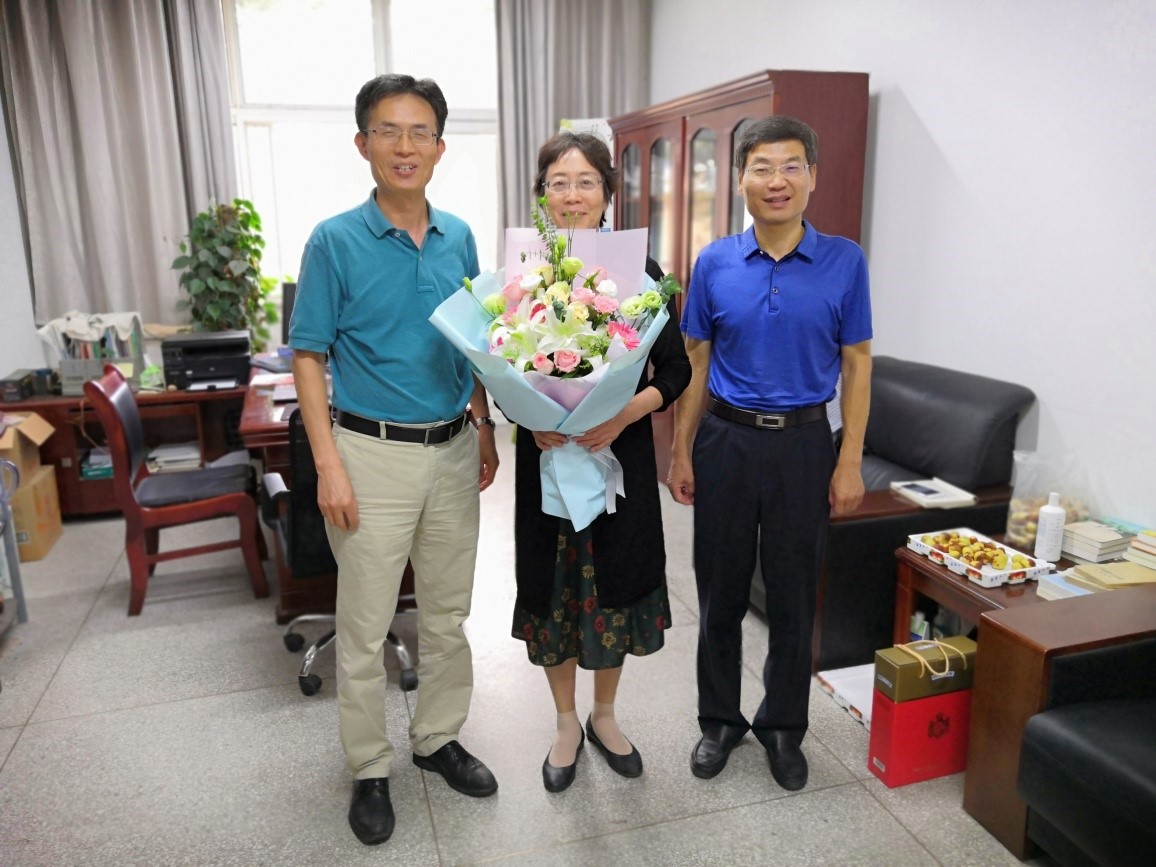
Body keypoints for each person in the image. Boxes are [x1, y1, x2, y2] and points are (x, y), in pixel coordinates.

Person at [289, 74, 501, 846]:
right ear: (363, 144)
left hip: (452, 450)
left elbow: (472, 341)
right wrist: (328, 464)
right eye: (388, 130)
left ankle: (437, 738)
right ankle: (370, 766)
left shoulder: (460, 237)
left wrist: (482, 421)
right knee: (366, 622)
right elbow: (308, 356)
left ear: (440, 147)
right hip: (369, 453)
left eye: (420, 132)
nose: (405, 146)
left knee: (445, 613)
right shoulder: (334, 240)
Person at [668, 115, 872, 791]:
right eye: (761, 167)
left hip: (805, 444)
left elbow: (858, 364)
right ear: (741, 181)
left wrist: (849, 460)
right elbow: (696, 359)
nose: (776, 180)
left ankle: (783, 726)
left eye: (790, 167)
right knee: (719, 593)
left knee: (792, 597)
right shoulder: (714, 262)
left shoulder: (845, 261)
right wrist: (682, 451)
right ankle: (719, 721)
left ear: (812, 177)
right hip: (726, 439)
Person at [511, 132, 690, 793]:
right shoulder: (523, 271)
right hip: (546, 459)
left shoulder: (641, 271)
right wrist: (526, 415)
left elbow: (676, 369)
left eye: (586, 181)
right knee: (553, 591)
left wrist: (624, 413)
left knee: (613, 585)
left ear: (608, 193)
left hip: (620, 456)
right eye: (558, 182)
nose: (572, 195)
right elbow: (498, 359)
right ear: (542, 195)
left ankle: (605, 715)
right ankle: (565, 723)